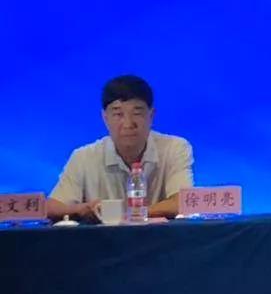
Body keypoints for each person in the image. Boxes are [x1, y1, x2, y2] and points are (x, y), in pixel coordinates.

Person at [47, 75, 194, 220]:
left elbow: (184, 202)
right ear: (105, 118)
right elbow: (52, 206)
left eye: (137, 113)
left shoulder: (174, 148)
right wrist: (82, 209)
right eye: (118, 114)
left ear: (151, 116)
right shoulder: (83, 157)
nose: (128, 124)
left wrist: (130, 215)